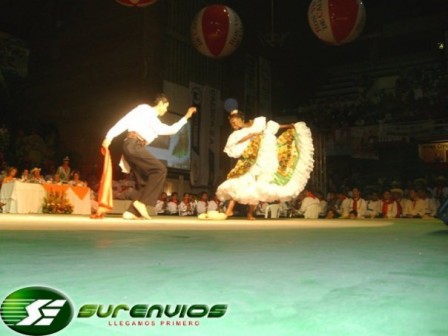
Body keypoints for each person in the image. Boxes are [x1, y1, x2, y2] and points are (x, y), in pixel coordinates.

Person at [101, 93, 196, 220]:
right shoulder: (144, 109)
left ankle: (131, 212)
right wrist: (109, 136)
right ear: (160, 103)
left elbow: (171, 130)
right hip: (133, 145)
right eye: (166, 106)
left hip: (134, 146)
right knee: (160, 170)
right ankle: (141, 203)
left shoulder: (155, 122)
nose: (166, 110)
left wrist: (186, 117)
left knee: (145, 181)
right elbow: (124, 121)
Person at [216, 109, 314, 220]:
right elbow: (235, 142)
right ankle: (229, 210)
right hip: (249, 161)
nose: (233, 124)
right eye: (231, 123)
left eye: (234, 122)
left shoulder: (257, 123)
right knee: (240, 182)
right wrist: (251, 135)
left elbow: (271, 128)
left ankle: (249, 214)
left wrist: (288, 126)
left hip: (263, 158)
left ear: (240, 119)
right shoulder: (237, 134)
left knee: (257, 187)